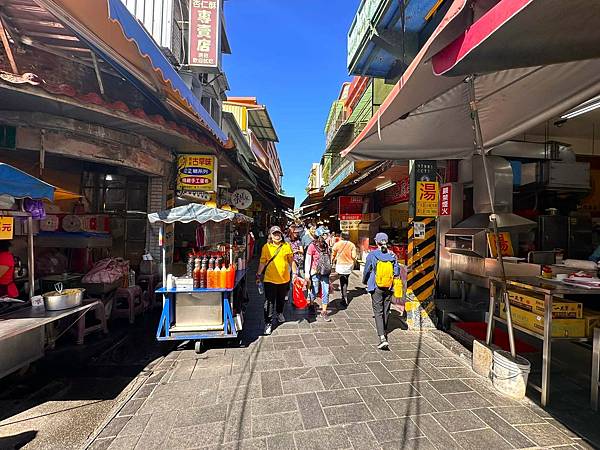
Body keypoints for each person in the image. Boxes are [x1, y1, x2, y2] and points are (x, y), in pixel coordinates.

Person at [257, 226, 297, 335]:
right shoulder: (266, 247)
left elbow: (291, 260)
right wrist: (258, 274)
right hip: (270, 279)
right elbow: (262, 262)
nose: (277, 235)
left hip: (284, 279)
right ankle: (268, 323)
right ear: (270, 235)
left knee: (281, 299)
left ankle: (279, 313)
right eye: (274, 234)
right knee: (269, 302)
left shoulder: (286, 246)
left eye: (278, 233)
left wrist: (295, 273)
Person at [362, 232, 399, 350]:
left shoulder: (372, 255)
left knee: (378, 311)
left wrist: (365, 280)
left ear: (376, 242)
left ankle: (382, 337)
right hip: (389, 286)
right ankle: (384, 330)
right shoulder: (393, 255)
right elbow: (397, 272)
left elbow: (367, 270)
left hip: (376, 286)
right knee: (386, 309)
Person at [305, 226, 332, 322]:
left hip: (325, 272)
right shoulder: (311, 246)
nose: (326, 236)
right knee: (315, 290)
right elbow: (308, 261)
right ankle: (311, 304)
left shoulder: (326, 245)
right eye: (325, 234)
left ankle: (324, 311)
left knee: (326, 291)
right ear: (320, 235)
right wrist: (307, 275)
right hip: (314, 272)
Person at [332, 232, 357, 309]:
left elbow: (333, 254)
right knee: (345, 280)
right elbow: (354, 256)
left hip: (340, 265)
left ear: (341, 237)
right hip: (349, 266)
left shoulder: (337, 244)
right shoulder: (352, 245)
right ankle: (344, 295)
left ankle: (344, 297)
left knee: (342, 281)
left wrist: (332, 261)